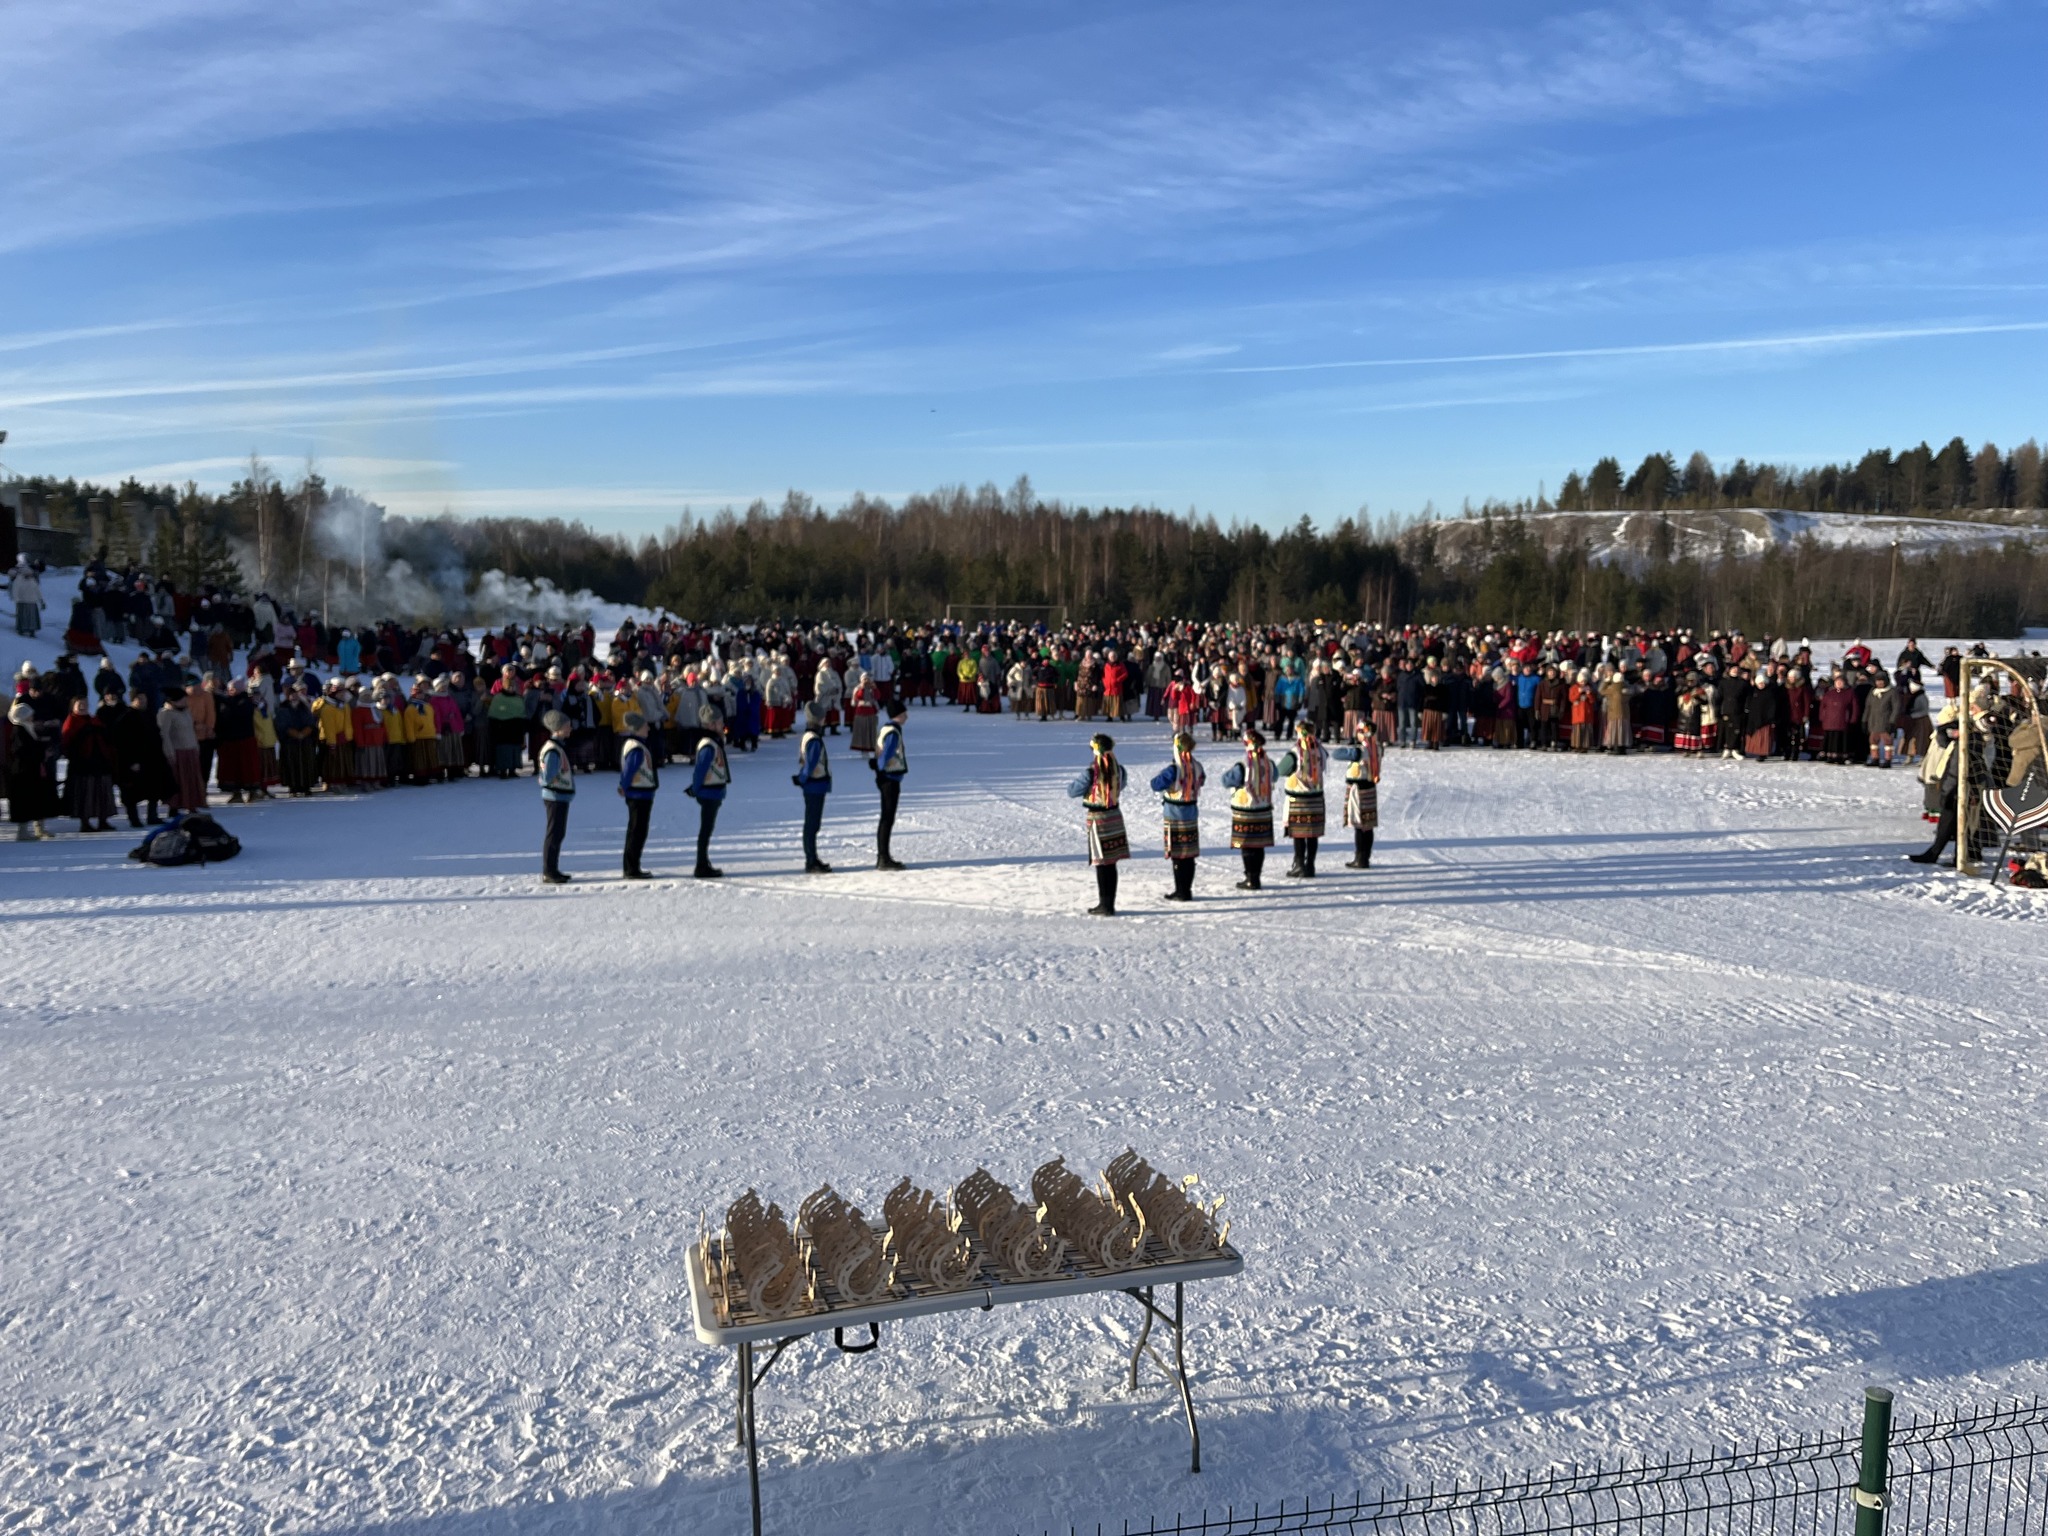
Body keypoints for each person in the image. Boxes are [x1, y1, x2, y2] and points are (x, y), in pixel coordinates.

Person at [1066, 732, 1129, 915]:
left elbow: (1072, 791)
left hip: (1098, 818)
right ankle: (1109, 902)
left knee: (1102, 862)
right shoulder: (1120, 769)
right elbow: (1120, 786)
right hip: (1115, 816)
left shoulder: (1092, 771)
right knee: (1112, 862)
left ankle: (1105, 904)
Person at [1148, 730, 1204, 902]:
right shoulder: (1197, 766)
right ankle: (1186, 889)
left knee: (1178, 855)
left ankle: (1181, 891)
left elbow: (1156, 785)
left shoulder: (1174, 769)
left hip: (1175, 814)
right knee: (1189, 854)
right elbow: (1202, 780)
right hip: (1191, 813)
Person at [1221, 725, 1276, 890]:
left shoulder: (1243, 764)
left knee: (1247, 845)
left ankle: (1250, 877)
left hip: (1246, 809)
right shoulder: (1268, 762)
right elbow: (1276, 775)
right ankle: (1256, 876)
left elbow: (1226, 780)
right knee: (1258, 845)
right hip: (1263, 807)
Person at [1909, 705, 1961, 865]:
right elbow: (1942, 737)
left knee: (1957, 822)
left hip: (1961, 784)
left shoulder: (1978, 735)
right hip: (1951, 782)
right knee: (1950, 821)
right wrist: (1952, 726)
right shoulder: (1957, 739)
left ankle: (1946, 854)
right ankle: (1937, 852)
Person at [1277, 719, 1328, 878]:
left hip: (1299, 798)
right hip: (1316, 796)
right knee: (1312, 833)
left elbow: (1282, 770)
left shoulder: (1296, 751)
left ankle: (1299, 864)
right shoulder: (1321, 750)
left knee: (1299, 833)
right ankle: (1310, 865)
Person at [60, 697, 118, 832]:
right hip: (82, 765)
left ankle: (103, 820)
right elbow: (67, 744)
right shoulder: (71, 722)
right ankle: (84, 822)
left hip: (100, 762)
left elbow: (106, 737)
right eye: (79, 704)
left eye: (85, 704)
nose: (82, 707)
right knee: (85, 793)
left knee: (102, 791)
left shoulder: (94, 720)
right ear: (73, 706)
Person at [1331, 716, 1382, 869]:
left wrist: (1350, 746)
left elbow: (1337, 754)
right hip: (1370, 786)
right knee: (1368, 824)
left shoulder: (1361, 750)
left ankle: (1360, 857)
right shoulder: (1377, 747)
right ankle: (1365, 856)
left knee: (1360, 825)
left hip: (1358, 788)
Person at [685, 703, 729, 878]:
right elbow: (700, 770)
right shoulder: (708, 745)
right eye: (719, 722)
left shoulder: (714, 742)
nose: (722, 725)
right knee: (705, 829)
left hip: (714, 791)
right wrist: (695, 789)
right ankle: (701, 864)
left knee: (707, 829)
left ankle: (704, 862)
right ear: (710, 724)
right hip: (709, 792)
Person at [617, 710, 658, 879]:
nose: (648, 727)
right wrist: (623, 786)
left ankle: (632, 866)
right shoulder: (636, 748)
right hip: (639, 795)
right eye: (645, 725)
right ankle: (631, 868)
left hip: (641, 794)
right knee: (637, 831)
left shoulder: (637, 745)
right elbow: (629, 769)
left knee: (636, 830)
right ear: (638, 728)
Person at [7, 699, 56, 840]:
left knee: (35, 800)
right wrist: (41, 753)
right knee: (25, 802)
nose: (32, 717)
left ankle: (37, 828)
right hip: (24, 772)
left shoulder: (27, 728)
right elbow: (22, 751)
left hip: (31, 771)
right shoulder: (19, 730)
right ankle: (23, 832)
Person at [794, 701, 834, 872]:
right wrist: (802, 778)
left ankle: (812, 858)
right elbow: (811, 764)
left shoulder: (808, 737)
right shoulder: (814, 740)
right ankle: (811, 860)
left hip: (813, 785)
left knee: (812, 823)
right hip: (815, 785)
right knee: (812, 824)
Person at [538, 709, 575, 884]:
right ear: (558, 729)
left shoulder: (557, 747)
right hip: (555, 797)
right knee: (554, 834)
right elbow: (548, 776)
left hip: (559, 796)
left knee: (558, 833)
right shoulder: (553, 750)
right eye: (567, 726)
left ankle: (553, 869)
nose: (570, 729)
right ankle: (549, 871)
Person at [157, 687, 206, 813]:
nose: (185, 702)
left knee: (191, 780)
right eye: (182, 700)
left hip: (190, 749)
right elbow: (164, 735)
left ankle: (192, 804)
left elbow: (191, 730)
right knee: (179, 780)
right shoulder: (166, 713)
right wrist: (169, 752)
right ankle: (174, 807)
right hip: (178, 752)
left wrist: (196, 746)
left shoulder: (186, 712)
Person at [872, 699, 908, 870]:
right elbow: (886, 754)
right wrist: (880, 768)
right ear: (898, 715)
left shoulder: (886, 728)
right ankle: (883, 857)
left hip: (887, 778)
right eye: (904, 714)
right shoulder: (893, 732)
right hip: (890, 779)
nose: (907, 716)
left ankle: (883, 856)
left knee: (886, 817)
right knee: (887, 817)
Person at [9, 559, 43, 637]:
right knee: (23, 617)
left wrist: (41, 600)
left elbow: (37, 590)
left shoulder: (32, 581)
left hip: (32, 602)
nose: (30, 575)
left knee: (32, 617)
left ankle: (32, 630)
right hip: (22, 601)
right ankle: (21, 629)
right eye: (28, 574)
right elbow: (15, 590)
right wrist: (16, 599)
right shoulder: (18, 580)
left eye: (30, 574)